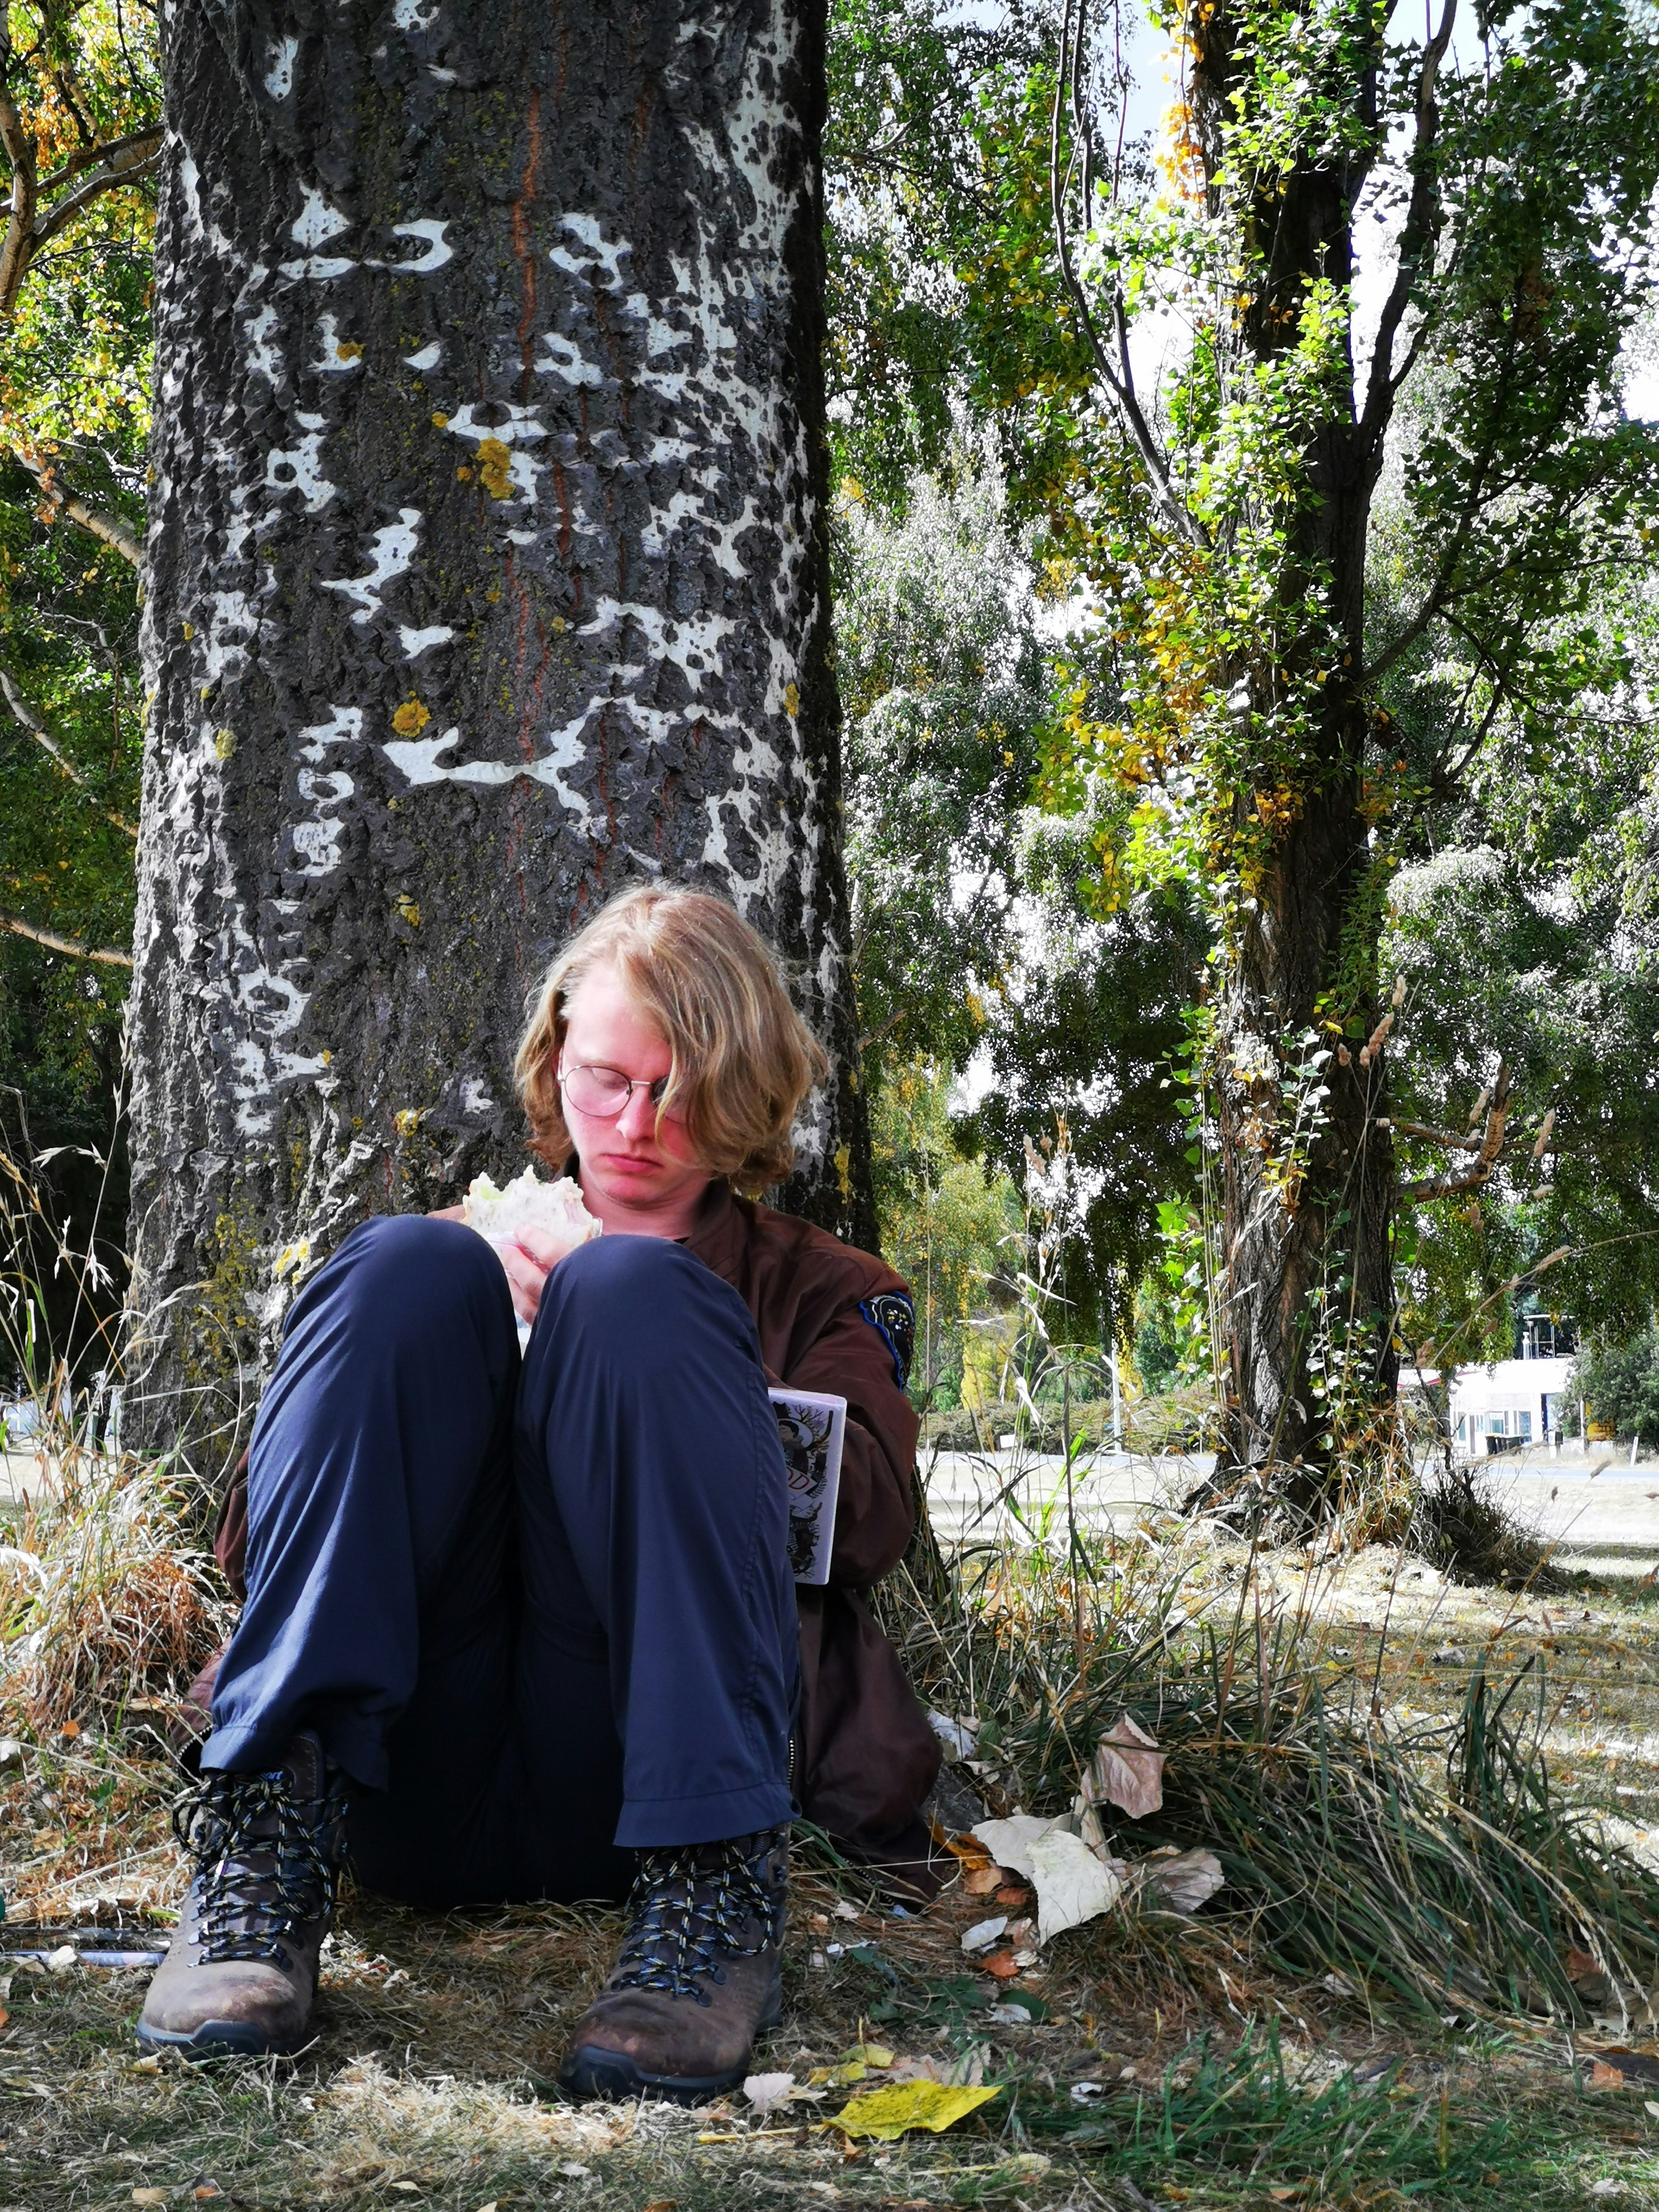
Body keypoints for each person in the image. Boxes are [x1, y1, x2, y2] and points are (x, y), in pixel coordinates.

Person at [136, 886, 942, 2100]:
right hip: (406, 1761)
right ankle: (258, 1856)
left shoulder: (827, 1288)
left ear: (745, 1091)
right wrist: (485, 1345)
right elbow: (261, 1542)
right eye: (606, 1076)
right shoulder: (446, 1259)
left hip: (643, 1782)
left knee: (630, 1300)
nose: (634, 1121)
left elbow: (865, 1523)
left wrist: (643, 1342)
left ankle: (720, 1897)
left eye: (679, 1090)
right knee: (401, 1263)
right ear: (556, 1054)